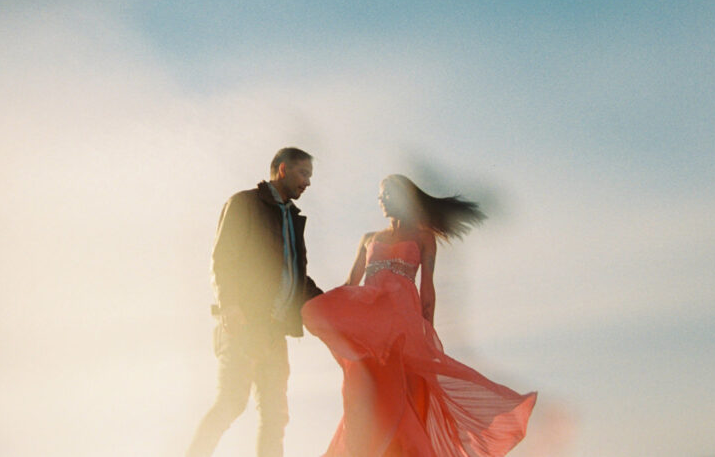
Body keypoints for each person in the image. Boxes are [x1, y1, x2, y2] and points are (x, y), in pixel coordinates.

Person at [302, 174, 536, 457]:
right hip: (372, 334)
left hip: (405, 330)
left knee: (407, 396)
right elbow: (350, 284)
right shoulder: (368, 239)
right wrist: (330, 314)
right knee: (371, 398)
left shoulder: (424, 238)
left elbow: (427, 291)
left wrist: (428, 337)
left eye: (388, 194)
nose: (382, 200)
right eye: (380, 195)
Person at [186, 147, 324, 457]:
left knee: (275, 417)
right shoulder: (244, 203)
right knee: (231, 402)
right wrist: (230, 306)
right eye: (304, 174)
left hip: (276, 333)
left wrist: (334, 306)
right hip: (244, 324)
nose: (308, 183)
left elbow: (298, 279)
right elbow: (223, 258)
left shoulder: (292, 218)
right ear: (284, 169)